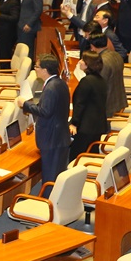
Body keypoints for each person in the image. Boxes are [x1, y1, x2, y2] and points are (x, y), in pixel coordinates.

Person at [17, 55, 70, 194]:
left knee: (50, 176)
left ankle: (47, 206)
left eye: (37, 67)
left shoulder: (51, 87)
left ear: (45, 70)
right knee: (56, 173)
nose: (35, 69)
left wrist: (25, 105)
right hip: (59, 135)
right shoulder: (60, 82)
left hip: (51, 138)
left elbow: (45, 112)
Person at [69, 49, 108, 160]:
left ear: (87, 65)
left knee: (76, 157)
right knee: (91, 155)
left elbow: (80, 104)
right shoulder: (101, 80)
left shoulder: (86, 81)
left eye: (82, 60)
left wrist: (73, 123)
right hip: (98, 126)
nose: (79, 61)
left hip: (86, 128)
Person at [90, 33, 127, 118]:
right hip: (119, 98)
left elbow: (99, 84)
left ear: (92, 46)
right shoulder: (116, 54)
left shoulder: (102, 61)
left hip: (108, 104)